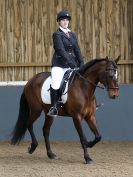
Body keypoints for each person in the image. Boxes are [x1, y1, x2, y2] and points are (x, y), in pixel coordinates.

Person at [47, 10, 84, 117]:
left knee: (83, 80)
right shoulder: (57, 34)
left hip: (72, 64)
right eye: (63, 20)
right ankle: (53, 107)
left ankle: (90, 102)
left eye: (67, 20)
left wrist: (81, 63)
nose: (65, 22)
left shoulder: (72, 34)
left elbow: (77, 49)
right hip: (59, 64)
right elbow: (60, 50)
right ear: (59, 22)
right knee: (56, 82)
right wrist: (71, 62)